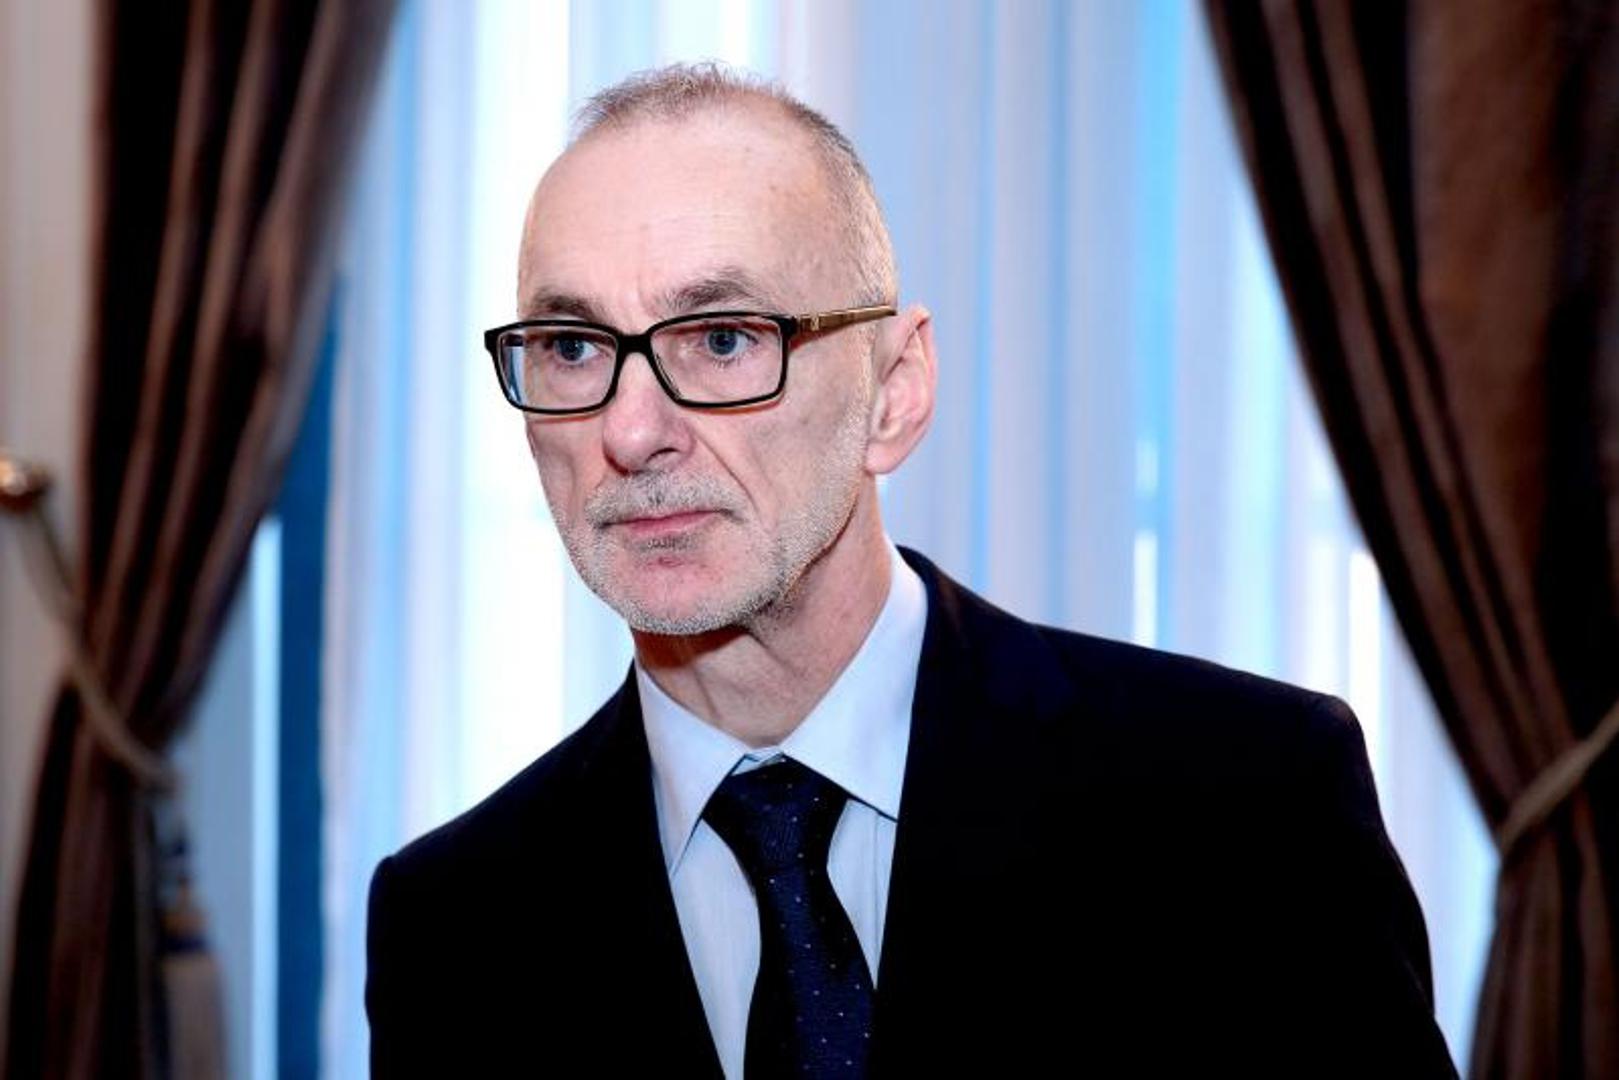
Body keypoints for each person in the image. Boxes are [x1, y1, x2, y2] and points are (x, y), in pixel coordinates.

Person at [365, 64, 1457, 1078]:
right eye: (570, 348)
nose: (631, 430)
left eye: (723, 338)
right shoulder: (452, 921)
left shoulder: (1246, 805)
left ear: (893, 392)